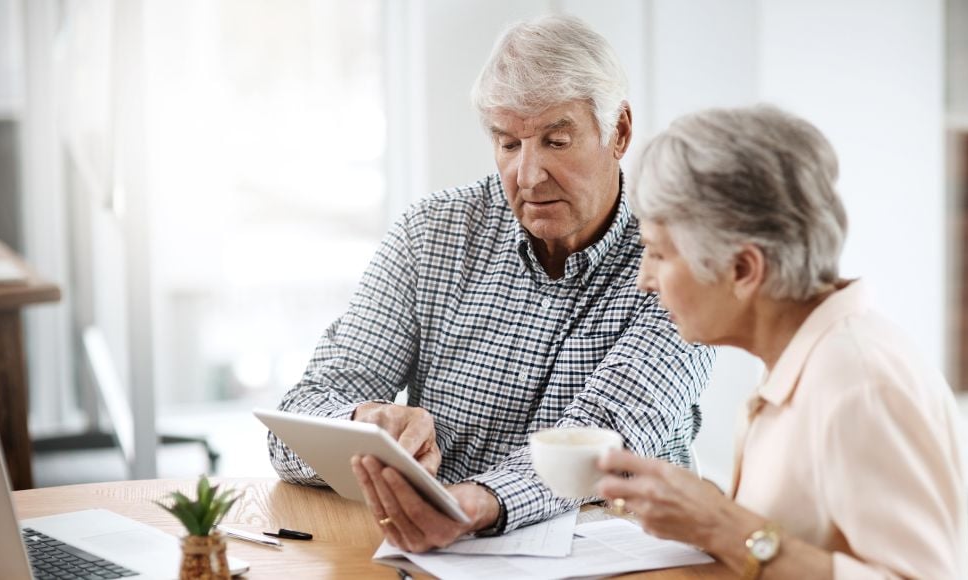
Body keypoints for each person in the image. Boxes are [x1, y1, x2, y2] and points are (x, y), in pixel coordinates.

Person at [267, 15, 714, 552]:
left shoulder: (678, 257)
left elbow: (598, 447)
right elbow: (295, 426)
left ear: (618, 132)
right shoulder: (432, 234)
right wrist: (364, 425)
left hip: (615, 556)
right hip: (442, 555)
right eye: (508, 144)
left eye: (556, 140)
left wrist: (474, 505)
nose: (527, 175)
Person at [596, 105, 968, 579]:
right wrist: (703, 514)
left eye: (658, 252)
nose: (643, 280)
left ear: (743, 270)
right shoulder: (803, 359)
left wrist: (721, 526)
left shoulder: (862, 384)